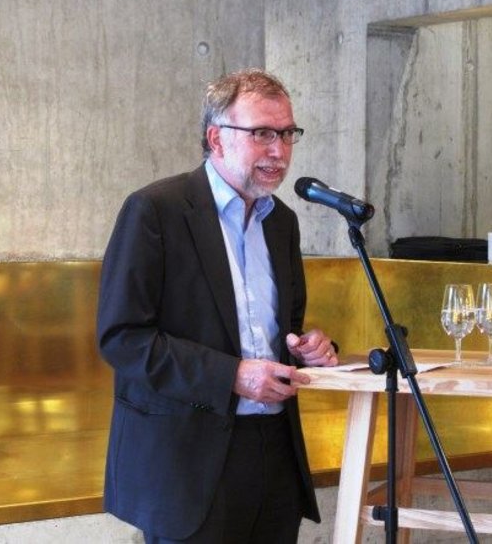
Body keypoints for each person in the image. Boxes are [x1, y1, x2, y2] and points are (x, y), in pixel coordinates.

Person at [97, 68, 339, 543]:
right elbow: (122, 338)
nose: (279, 151)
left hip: (275, 456)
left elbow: (283, 330)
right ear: (216, 139)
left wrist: (310, 348)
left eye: (287, 134)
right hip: (187, 463)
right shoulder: (155, 211)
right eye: (262, 133)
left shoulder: (282, 222)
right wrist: (232, 375)